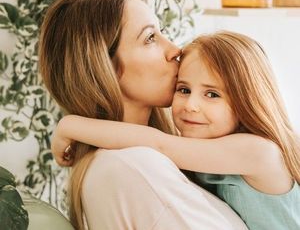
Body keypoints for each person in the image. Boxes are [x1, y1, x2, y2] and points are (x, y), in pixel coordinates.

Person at [39, 0, 247, 230]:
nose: (174, 50)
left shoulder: (125, 163)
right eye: (150, 38)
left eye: (162, 31)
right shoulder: (136, 168)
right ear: (105, 70)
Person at [52, 31, 300, 230]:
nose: (191, 106)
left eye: (212, 94)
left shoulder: (258, 152)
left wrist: (70, 126)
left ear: (248, 100)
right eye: (183, 89)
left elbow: (158, 143)